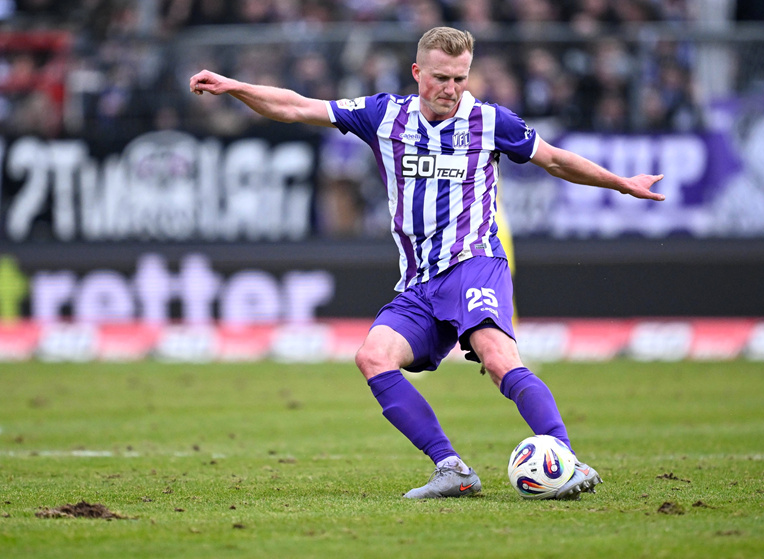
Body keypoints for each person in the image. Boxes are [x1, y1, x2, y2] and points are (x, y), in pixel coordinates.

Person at [189, 27, 664, 500]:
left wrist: (621, 183)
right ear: (417, 72)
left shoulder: (490, 121)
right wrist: (236, 87)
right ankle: (451, 469)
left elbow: (555, 160)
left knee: (498, 358)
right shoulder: (383, 115)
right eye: (441, 78)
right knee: (373, 358)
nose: (451, 89)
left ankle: (565, 459)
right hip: (419, 280)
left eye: (460, 78)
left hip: (474, 262)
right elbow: (297, 107)